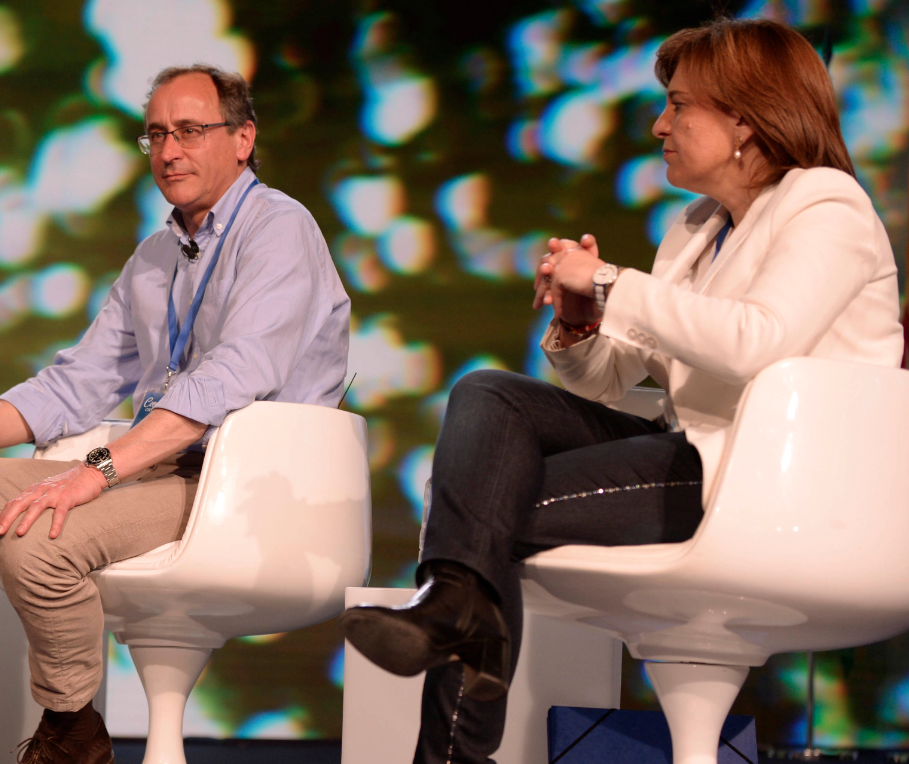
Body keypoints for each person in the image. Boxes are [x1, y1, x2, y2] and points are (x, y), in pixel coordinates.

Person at [340, 17, 904, 764]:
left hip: (772, 485)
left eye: (678, 104)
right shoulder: (697, 227)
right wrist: (581, 323)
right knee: (489, 393)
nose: (658, 123)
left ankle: (450, 685)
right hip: (692, 455)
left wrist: (609, 282)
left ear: (744, 116)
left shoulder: (825, 203)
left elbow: (757, 340)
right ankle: (455, 606)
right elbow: (612, 381)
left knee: (482, 524)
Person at [0, 64, 349, 764]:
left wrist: (95, 470)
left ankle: (74, 731)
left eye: (190, 130)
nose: (169, 151)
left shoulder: (281, 230)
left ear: (244, 138)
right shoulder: (156, 255)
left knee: (39, 542)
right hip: (154, 469)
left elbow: (233, 376)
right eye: (156, 134)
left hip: (244, 490)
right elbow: (78, 382)